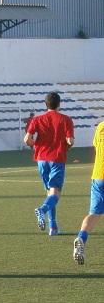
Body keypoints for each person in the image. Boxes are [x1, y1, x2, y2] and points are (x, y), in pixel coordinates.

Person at [24, 92, 74, 236]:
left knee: (49, 192)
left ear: (46, 105)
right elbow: (70, 141)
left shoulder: (37, 119)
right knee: (56, 194)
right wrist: (67, 145)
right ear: (59, 104)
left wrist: (36, 145)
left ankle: (53, 228)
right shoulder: (66, 119)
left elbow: (27, 139)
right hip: (57, 158)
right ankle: (42, 210)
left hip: (41, 159)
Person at [73, 119, 104, 265]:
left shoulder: (101, 126)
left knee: (95, 213)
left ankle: (82, 237)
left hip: (98, 175)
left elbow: (97, 148)